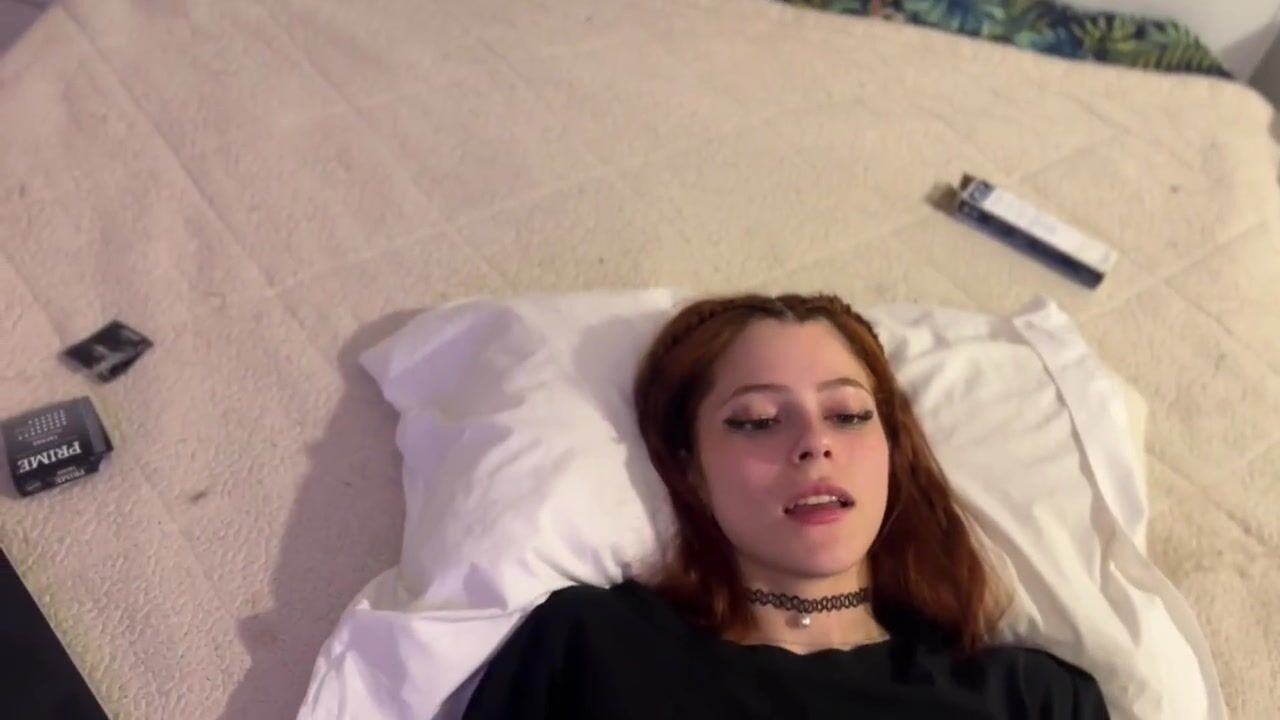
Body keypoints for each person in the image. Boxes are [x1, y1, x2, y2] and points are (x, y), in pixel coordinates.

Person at [462, 292, 1109, 719]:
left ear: (892, 449)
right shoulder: (591, 646)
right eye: (758, 421)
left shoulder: (1033, 700)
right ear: (690, 468)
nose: (814, 443)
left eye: (848, 414)